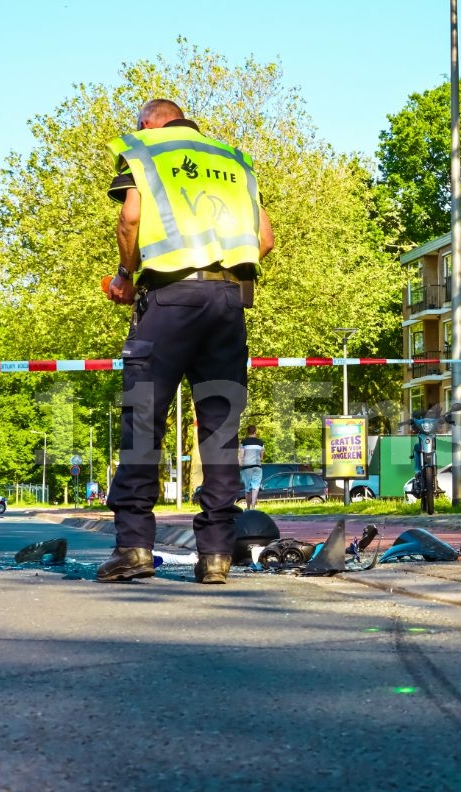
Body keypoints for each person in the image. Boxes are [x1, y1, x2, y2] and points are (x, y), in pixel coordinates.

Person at [97, 98, 274, 585]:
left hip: (168, 301)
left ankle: (134, 548)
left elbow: (131, 218)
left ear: (151, 122)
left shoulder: (145, 149)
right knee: (220, 429)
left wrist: (125, 275)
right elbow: (265, 239)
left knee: (143, 420)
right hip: (227, 303)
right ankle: (215, 556)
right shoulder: (233, 158)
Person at [238, 425, 265, 508]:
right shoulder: (261, 443)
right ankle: (253, 506)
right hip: (257, 467)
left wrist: (240, 464)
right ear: (255, 432)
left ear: (247, 432)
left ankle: (248, 507)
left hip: (246, 467)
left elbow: (241, 456)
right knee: (255, 487)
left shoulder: (244, 442)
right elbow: (261, 458)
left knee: (247, 488)